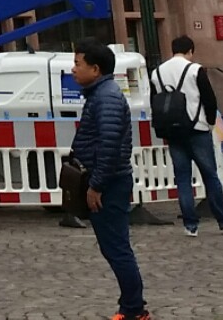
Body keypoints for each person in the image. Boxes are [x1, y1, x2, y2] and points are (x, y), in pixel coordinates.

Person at [68, 42, 148, 320]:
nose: (73, 69)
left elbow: (110, 144)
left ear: (95, 69)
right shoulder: (101, 94)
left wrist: (97, 185)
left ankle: (133, 309)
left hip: (110, 183)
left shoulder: (107, 97)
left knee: (117, 248)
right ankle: (132, 306)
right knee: (113, 247)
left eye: (77, 63)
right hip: (107, 179)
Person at [152, 33, 223, 237]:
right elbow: (209, 98)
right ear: (190, 51)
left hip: (172, 131)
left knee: (182, 178)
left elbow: (154, 102)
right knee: (210, 174)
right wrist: (210, 122)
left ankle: (190, 225)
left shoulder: (157, 73)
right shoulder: (195, 70)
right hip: (196, 128)